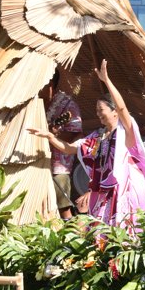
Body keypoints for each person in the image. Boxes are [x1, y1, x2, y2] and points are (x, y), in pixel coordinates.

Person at [29, 60, 145, 228]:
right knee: (101, 231)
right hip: (104, 190)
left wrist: (107, 81)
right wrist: (50, 137)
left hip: (126, 188)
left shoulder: (126, 131)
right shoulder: (97, 136)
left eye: (101, 110)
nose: (98, 114)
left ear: (114, 111)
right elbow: (71, 149)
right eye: (96, 111)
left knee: (124, 230)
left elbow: (123, 108)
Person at [44, 75, 82, 219]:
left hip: (58, 164)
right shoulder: (33, 101)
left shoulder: (67, 105)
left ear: (51, 84)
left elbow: (75, 134)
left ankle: (72, 233)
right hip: (35, 161)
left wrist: (54, 135)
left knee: (63, 205)